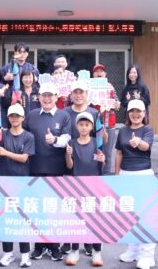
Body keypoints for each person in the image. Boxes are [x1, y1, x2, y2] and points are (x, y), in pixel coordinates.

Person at [25, 82, 71, 261]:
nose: (47, 98)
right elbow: (24, 135)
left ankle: (54, 246)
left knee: (53, 210)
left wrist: (55, 140)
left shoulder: (63, 115)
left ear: (56, 97)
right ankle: (38, 246)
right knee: (37, 209)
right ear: (39, 97)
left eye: (50, 95)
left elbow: (67, 138)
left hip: (56, 169)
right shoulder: (32, 115)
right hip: (35, 168)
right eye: (44, 95)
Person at [115, 100, 156, 269]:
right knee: (129, 215)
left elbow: (146, 147)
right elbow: (119, 153)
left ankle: (147, 255)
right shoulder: (123, 131)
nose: (135, 114)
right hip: (126, 174)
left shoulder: (147, 129)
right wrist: (117, 175)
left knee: (145, 216)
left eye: (139, 111)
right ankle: (133, 250)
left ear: (144, 113)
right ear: (128, 113)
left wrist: (138, 141)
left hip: (143, 174)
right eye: (132, 111)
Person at [0, 104, 35, 268]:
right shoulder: (3, 134)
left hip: (22, 181)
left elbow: (24, 158)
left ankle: (25, 255)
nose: (14, 119)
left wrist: (6, 153)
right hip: (4, 180)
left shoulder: (28, 136)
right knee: (5, 218)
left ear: (23, 118)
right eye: (12, 116)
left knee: (22, 218)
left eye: (17, 116)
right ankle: (8, 253)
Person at [64, 111, 106, 267]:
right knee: (76, 220)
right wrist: (68, 155)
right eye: (81, 124)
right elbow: (70, 166)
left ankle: (96, 252)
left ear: (92, 126)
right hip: (76, 186)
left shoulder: (96, 142)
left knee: (95, 221)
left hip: (94, 186)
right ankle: (74, 250)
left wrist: (103, 159)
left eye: (87, 124)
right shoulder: (72, 143)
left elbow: (102, 164)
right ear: (76, 126)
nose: (84, 127)